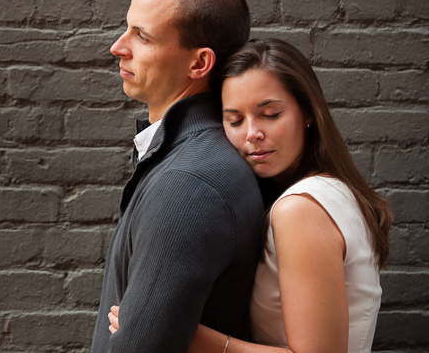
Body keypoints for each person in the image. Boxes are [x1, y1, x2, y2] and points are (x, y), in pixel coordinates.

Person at [108, 38, 393, 353]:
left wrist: (176, 332)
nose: (252, 134)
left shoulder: (301, 208)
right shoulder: (331, 192)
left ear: (309, 113)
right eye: (235, 120)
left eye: (270, 114)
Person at [90, 0, 265, 353]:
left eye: (143, 36)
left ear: (199, 64)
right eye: (127, 28)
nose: (118, 47)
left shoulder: (188, 183)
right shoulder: (185, 160)